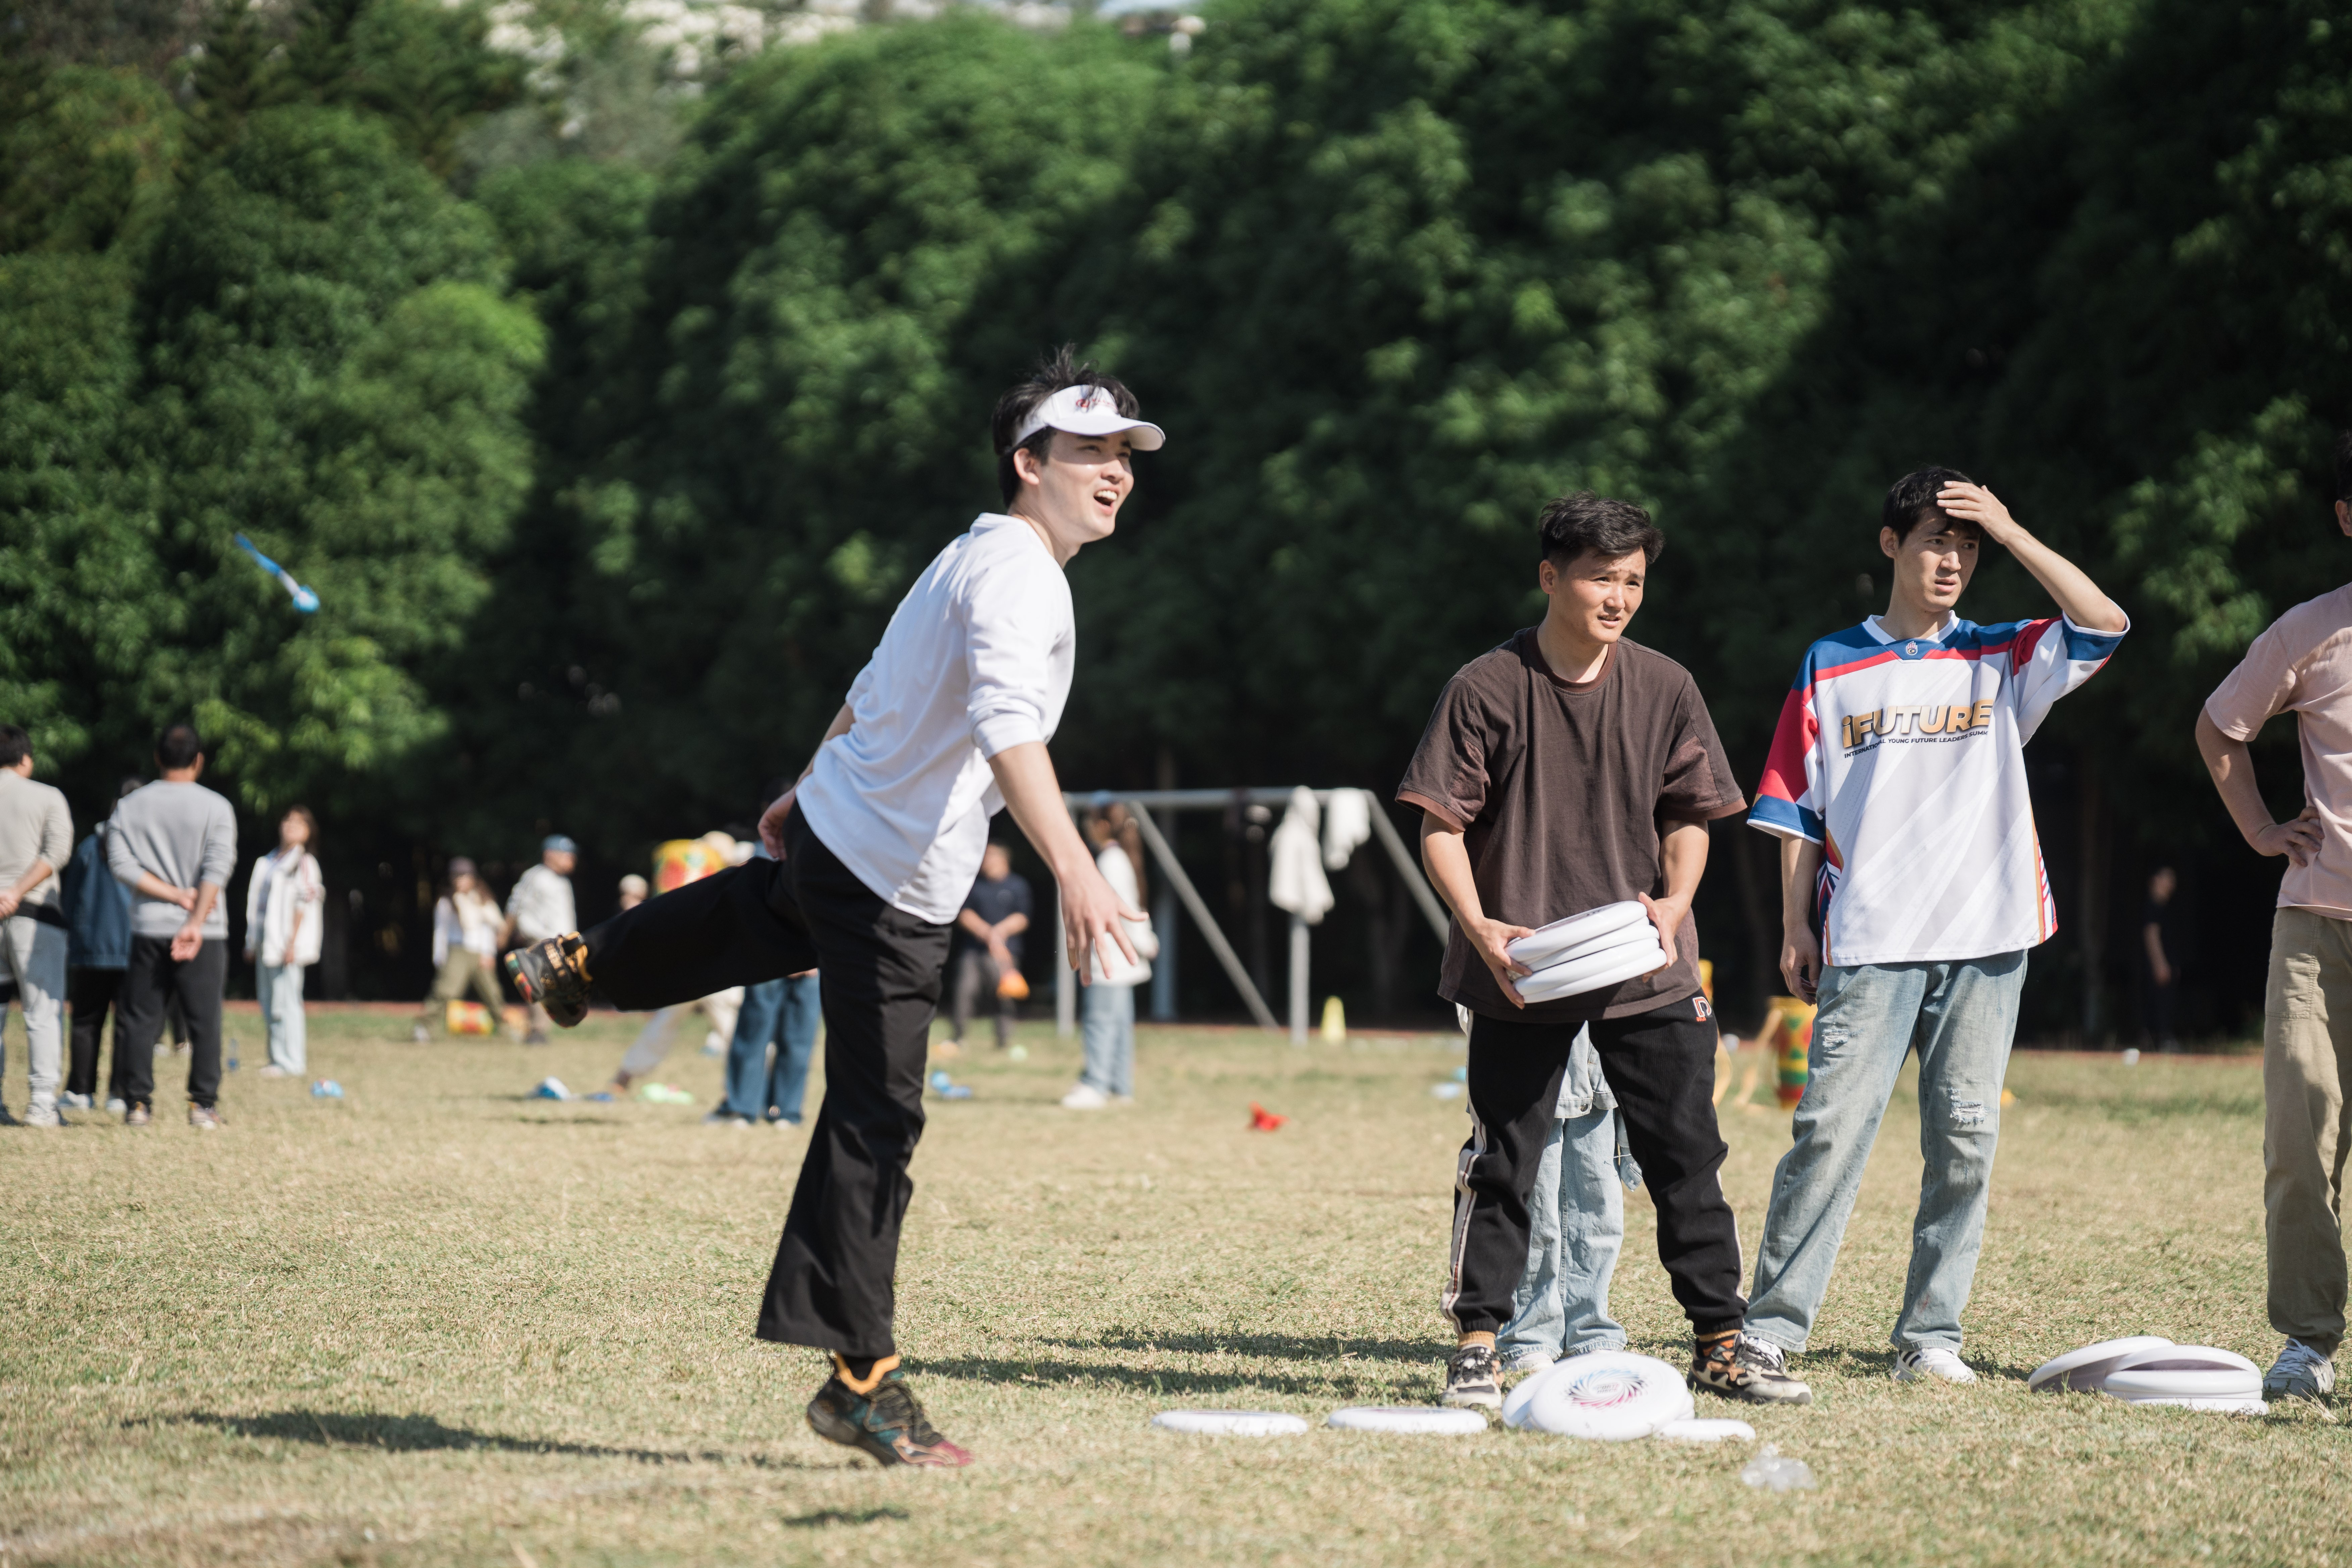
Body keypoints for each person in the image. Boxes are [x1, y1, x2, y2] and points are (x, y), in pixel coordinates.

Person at [505, 348, 1161, 1467]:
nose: (1115, 473)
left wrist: (804, 787)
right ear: (1027, 462)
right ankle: (861, 1380)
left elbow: (871, 684)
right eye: (1089, 451)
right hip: (891, 877)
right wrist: (1076, 868)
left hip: (837, 833)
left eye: (1124, 455)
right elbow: (1008, 726)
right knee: (876, 1117)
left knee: (756, 913)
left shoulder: (962, 554)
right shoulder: (1019, 576)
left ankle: (582, 962)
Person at [1397, 492, 1805, 1410]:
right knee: (1504, 1161)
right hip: (1523, 966)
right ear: (1551, 578)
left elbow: (1691, 815)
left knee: (1686, 1158)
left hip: (1645, 962)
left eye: (1633, 581)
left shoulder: (1666, 686)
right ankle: (1478, 1345)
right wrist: (1479, 926)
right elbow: (1440, 825)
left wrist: (1677, 903)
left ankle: (1721, 1344)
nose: (1618, 597)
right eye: (1600, 579)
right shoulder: (1485, 687)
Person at [1746, 468, 2127, 1386]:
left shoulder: (2001, 655)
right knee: (1828, 1134)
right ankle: (1771, 1329)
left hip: (1988, 936)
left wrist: (2011, 526)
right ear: (1891, 545)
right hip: (1869, 937)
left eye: (1967, 547)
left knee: (1964, 1139)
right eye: (1934, 541)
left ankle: (1931, 1337)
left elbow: (2105, 623)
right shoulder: (1830, 661)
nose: (1952, 560)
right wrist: (1797, 924)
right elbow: (1796, 807)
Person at [2194, 429, 2352, 1406]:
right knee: (2300, 1135)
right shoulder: (2308, 631)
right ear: (2345, 517)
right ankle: (2307, 1339)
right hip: (2315, 927)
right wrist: (2259, 829)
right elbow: (2221, 725)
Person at [107, 723, 238, 1129]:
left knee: (141, 1017)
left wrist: (172, 895)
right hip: (205, 929)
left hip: (149, 925)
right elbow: (218, 865)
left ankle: (137, 1104)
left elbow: (121, 864)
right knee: (204, 1019)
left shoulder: (130, 806)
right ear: (199, 760)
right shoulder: (217, 806)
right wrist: (194, 919)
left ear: (158, 758)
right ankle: (202, 1105)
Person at [1497, 1022, 1640, 1372]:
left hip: (1599, 1056)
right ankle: (1530, 1334)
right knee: (1537, 1204)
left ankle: (1590, 1328)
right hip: (1533, 1056)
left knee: (1598, 1204)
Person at [0, 724, 73, 1127]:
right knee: (41, 1010)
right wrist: (15, 891)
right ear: (25, 759)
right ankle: (42, 1104)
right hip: (34, 914)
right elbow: (57, 851)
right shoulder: (47, 796)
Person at [1063, 804, 1157, 1109]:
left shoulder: (1110, 861)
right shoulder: (1118, 858)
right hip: (1120, 960)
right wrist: (1145, 941)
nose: (1087, 828)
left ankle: (1096, 1084)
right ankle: (1120, 1086)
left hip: (1111, 959)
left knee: (1100, 1023)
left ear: (1102, 826)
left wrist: (1143, 941)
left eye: (1090, 822)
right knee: (1118, 1025)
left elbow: (1123, 905)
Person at [61, 778, 142, 1113]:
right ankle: (120, 1094)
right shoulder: (147, 847)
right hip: (135, 945)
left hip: (91, 946)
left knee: (85, 1020)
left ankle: (80, 1091)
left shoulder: (89, 847)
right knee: (128, 1023)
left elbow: (69, 899)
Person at [243, 806, 324, 1078]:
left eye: (299, 823)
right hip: (266, 941)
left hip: (287, 944)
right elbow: (257, 905)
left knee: (287, 1002)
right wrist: (251, 941)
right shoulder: (267, 861)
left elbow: (304, 904)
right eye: (288, 820)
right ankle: (276, 1058)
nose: (291, 826)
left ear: (309, 832)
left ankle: (292, 1062)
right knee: (268, 1001)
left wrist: (293, 943)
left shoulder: (304, 863)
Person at [416, 858, 511, 1041]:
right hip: (457, 951)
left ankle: (505, 1029)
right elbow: (440, 931)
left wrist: (489, 953)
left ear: (473, 878)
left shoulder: (483, 900)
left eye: (464, 876)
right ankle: (425, 1027)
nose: (460, 881)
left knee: (493, 993)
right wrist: (439, 958)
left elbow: (488, 930)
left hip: (480, 953)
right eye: (457, 877)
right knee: (446, 991)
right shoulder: (447, 902)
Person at [949, 842, 1031, 1051]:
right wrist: (986, 933)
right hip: (974, 951)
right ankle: (958, 1039)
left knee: (1004, 995)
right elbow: (964, 914)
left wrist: (1000, 932)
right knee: (965, 991)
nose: (986, 861)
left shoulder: (1017, 885)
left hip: (1005, 952)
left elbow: (1023, 917)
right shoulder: (975, 885)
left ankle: (1004, 1042)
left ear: (1003, 860)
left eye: (991, 857)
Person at [503, 835, 577, 1042]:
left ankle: (538, 1030)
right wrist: (506, 933)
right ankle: (536, 1031)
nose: (571, 859)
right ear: (549, 855)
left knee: (555, 987)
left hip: (560, 943)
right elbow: (516, 904)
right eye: (566, 855)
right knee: (539, 985)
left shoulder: (563, 881)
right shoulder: (536, 876)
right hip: (540, 940)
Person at [2140, 867, 2183, 1052]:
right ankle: (2161, 1041)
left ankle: (2157, 1041)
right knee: (2159, 1003)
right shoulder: (2153, 907)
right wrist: (2160, 964)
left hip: (2168, 964)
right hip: (2159, 965)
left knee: (2165, 1002)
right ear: (2155, 880)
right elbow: (2151, 935)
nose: (2171, 883)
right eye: (2167, 878)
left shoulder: (2166, 907)